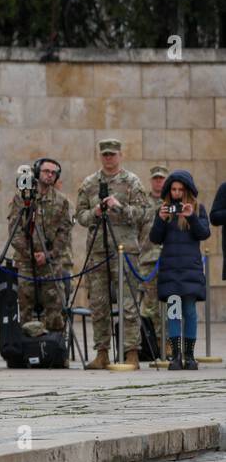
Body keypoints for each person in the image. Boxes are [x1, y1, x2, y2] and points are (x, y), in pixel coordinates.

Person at [75, 138, 145, 369]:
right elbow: (80, 217)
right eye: (105, 154)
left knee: (128, 303)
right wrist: (95, 211)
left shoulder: (131, 181)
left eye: (112, 154)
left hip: (124, 251)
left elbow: (143, 213)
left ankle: (131, 352)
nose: (109, 158)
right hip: (98, 251)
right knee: (98, 303)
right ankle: (102, 352)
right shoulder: (89, 183)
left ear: (120, 155)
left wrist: (119, 207)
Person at [5, 157, 71, 343]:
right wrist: (30, 254)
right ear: (36, 172)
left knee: (55, 305)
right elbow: (14, 231)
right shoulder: (22, 198)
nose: (49, 175)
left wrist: (49, 255)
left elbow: (64, 233)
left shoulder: (61, 201)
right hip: (26, 262)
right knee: (24, 306)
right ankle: (25, 348)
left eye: (53, 173)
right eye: (46, 171)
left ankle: (54, 347)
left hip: (51, 263)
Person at [150, 169, 209, 370]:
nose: (177, 193)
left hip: (190, 270)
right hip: (171, 271)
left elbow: (204, 233)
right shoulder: (164, 210)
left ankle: (189, 356)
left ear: (187, 191)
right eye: (174, 189)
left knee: (190, 312)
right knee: (173, 313)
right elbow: (155, 238)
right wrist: (160, 219)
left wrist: (191, 217)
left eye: (180, 190)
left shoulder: (198, 209)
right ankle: (175, 356)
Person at [138, 165, 169, 354]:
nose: (159, 182)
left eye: (162, 178)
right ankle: (155, 346)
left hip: (168, 260)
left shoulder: (173, 202)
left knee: (169, 304)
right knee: (150, 307)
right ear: (151, 180)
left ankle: (169, 343)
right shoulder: (143, 202)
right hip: (148, 259)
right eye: (156, 178)